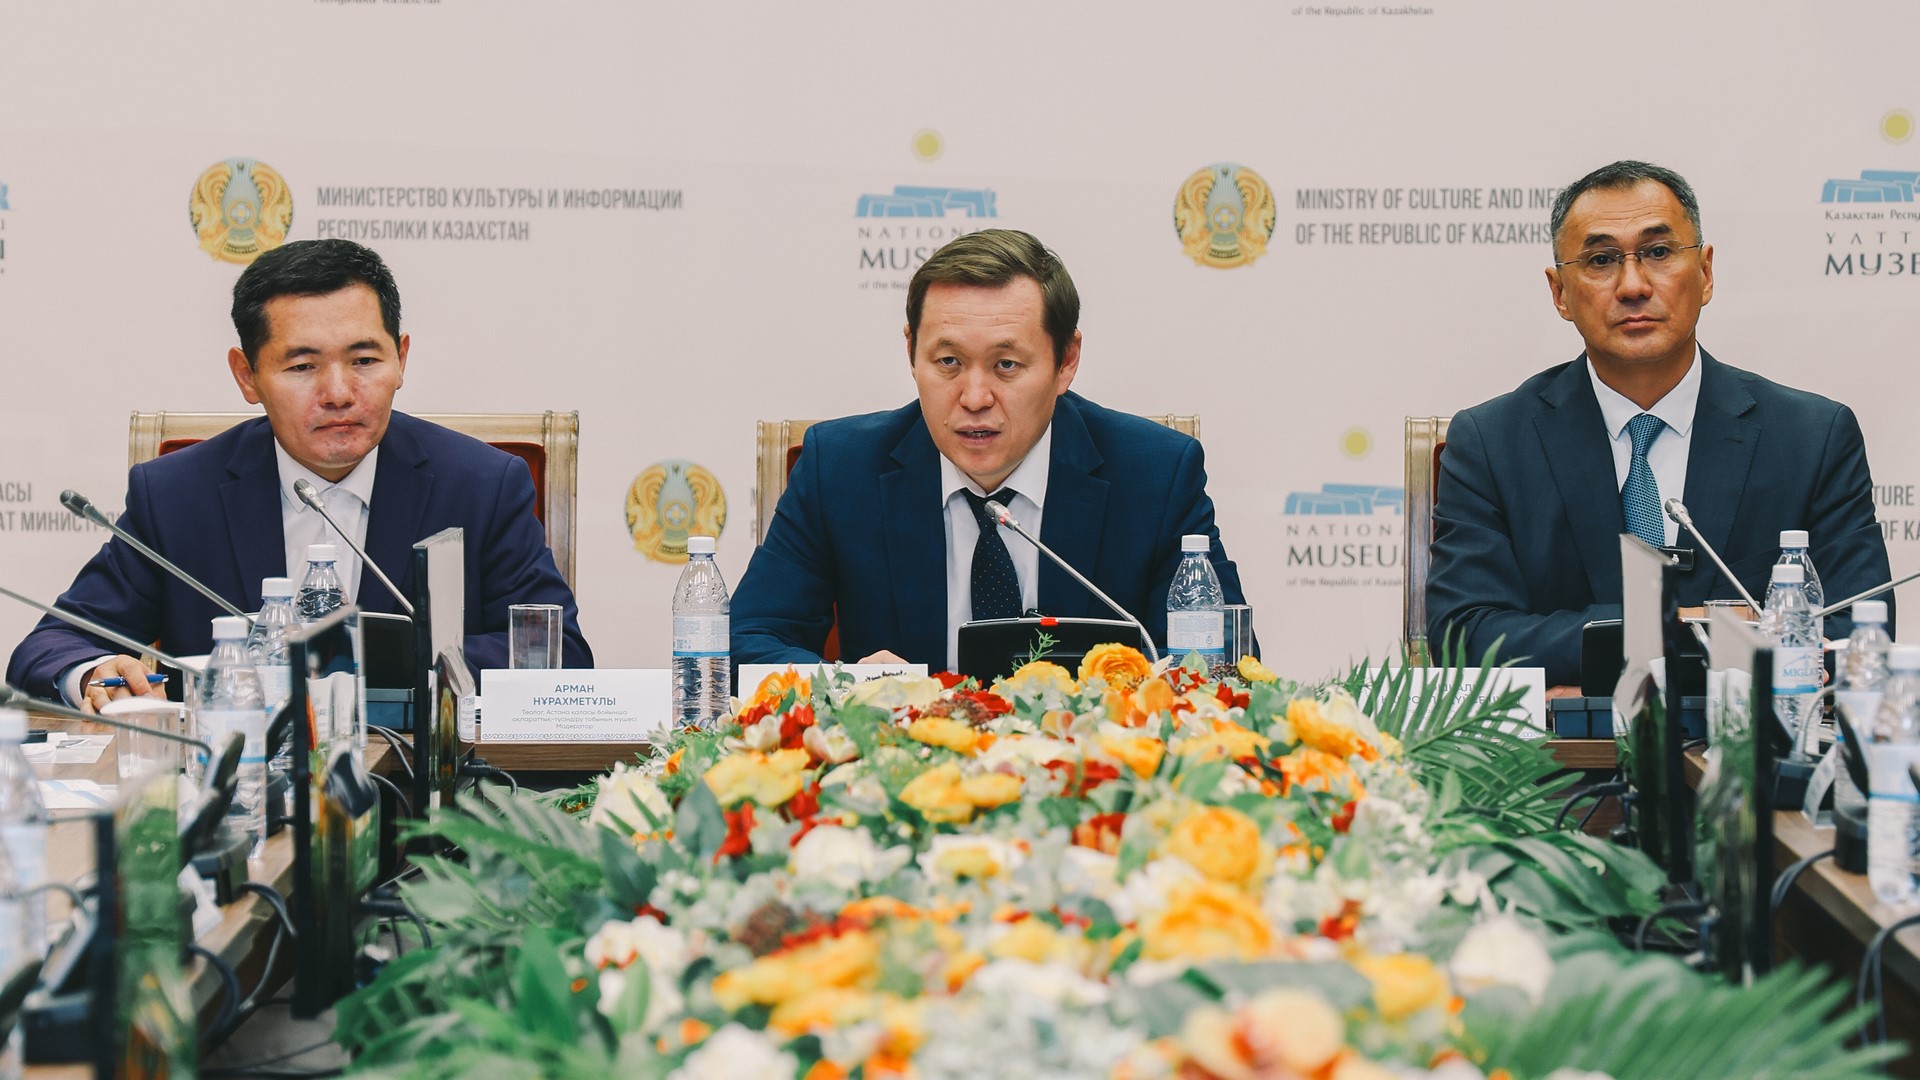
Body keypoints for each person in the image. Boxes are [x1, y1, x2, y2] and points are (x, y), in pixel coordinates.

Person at [7, 238, 591, 711]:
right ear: (247, 376)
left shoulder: (482, 485)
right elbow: (53, 645)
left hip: (427, 802)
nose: (339, 393)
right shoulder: (177, 496)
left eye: (365, 360)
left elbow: (557, 653)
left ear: (402, 359)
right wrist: (92, 672)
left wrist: (374, 667)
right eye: (303, 366)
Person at [1426, 160, 1892, 686]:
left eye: (1659, 252)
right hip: (1561, 743)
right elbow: (1465, 633)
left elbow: (1857, 633)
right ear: (1560, 293)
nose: (1633, 285)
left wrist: (1631, 649)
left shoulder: (1812, 438)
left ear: (1705, 273)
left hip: (1752, 739)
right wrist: (1678, 631)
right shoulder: (1492, 443)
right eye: (1600, 260)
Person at [732, 228, 1248, 672]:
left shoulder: (1155, 476)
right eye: (949, 362)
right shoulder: (840, 470)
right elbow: (744, 643)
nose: (975, 398)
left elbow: (1221, 664)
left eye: (1006, 365)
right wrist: (854, 688)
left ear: (1066, 361)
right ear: (911, 351)